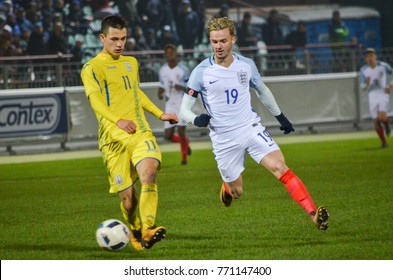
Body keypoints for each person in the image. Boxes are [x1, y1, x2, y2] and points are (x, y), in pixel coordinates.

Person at [179, 17, 329, 231]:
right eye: (214, 42)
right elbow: (183, 109)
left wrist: (280, 116)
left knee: (280, 167)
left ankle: (314, 215)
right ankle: (227, 187)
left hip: (250, 127)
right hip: (224, 138)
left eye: (223, 41)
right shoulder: (201, 72)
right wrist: (195, 119)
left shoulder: (246, 65)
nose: (218, 46)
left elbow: (262, 91)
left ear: (233, 39)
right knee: (237, 191)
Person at [80, 15, 178, 251]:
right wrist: (117, 120)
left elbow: (135, 93)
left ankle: (148, 228)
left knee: (150, 172)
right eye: (114, 38)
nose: (119, 43)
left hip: (139, 131)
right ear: (102, 38)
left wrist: (159, 113)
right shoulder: (92, 68)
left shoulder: (131, 63)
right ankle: (134, 229)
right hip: (113, 139)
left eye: (123, 38)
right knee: (128, 200)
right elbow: (96, 101)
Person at [157, 44, 191, 165]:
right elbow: (162, 85)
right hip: (170, 105)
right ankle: (186, 143)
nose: (169, 54)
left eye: (171, 52)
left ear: (176, 54)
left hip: (181, 104)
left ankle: (184, 159)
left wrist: (181, 87)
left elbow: (191, 88)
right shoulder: (162, 70)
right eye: (167, 53)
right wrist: (160, 93)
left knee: (181, 132)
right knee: (168, 135)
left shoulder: (183, 69)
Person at [359, 48, 392, 148]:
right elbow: (362, 87)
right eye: (367, 56)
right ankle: (383, 142)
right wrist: (366, 84)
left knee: (381, 117)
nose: (370, 58)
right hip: (372, 95)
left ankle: (386, 125)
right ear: (365, 59)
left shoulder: (383, 66)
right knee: (376, 121)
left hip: (382, 92)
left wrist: (390, 85)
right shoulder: (363, 70)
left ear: (375, 56)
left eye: (371, 56)